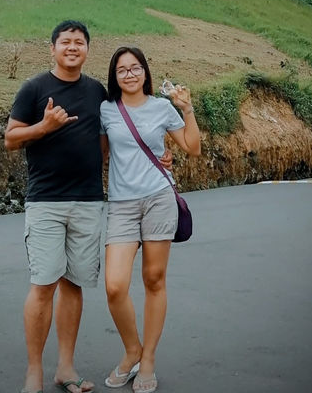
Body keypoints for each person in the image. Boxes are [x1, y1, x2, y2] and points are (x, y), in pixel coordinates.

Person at [5, 20, 107, 393]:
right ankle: (34, 370)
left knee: (74, 284)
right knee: (43, 284)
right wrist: (44, 127)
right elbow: (11, 139)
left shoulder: (97, 90)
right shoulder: (34, 88)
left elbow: (107, 138)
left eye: (79, 42)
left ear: (87, 50)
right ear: (52, 48)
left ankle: (65, 367)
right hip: (46, 201)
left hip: (88, 201)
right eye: (66, 41)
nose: (72, 47)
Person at [100, 46, 201, 393]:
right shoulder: (107, 110)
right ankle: (132, 350)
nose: (129, 74)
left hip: (159, 198)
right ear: (114, 76)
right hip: (122, 204)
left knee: (154, 279)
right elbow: (99, 154)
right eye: (122, 70)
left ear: (145, 72)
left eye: (135, 67)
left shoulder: (162, 108)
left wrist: (187, 109)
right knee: (115, 286)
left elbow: (192, 147)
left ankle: (149, 359)